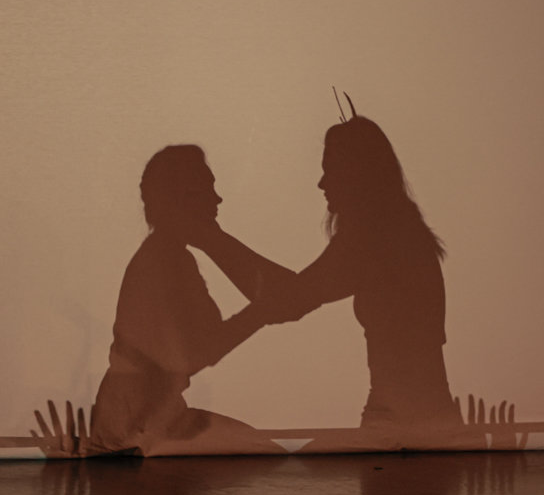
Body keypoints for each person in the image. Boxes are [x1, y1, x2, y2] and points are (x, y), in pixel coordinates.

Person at [194, 116, 469, 448]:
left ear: (356, 175)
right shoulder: (401, 233)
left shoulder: (375, 239)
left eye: (330, 170)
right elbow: (289, 297)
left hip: (405, 421)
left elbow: (288, 301)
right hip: (422, 415)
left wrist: (211, 239)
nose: (322, 183)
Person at [88, 145, 288, 456]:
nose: (217, 199)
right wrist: (259, 313)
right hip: (139, 425)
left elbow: (195, 350)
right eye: (207, 189)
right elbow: (192, 356)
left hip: (143, 417)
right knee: (264, 453)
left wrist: (260, 311)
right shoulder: (164, 260)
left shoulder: (168, 257)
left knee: (262, 451)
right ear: (182, 198)